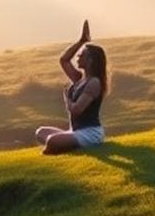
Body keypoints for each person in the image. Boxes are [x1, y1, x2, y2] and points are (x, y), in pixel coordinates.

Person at [35, 19, 108, 154]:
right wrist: (82, 41)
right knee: (41, 132)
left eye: (82, 55)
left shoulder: (94, 83)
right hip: (75, 131)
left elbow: (76, 110)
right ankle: (66, 143)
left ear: (91, 60)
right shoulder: (79, 78)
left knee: (51, 141)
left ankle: (60, 146)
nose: (78, 57)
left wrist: (67, 99)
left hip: (90, 133)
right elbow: (64, 60)